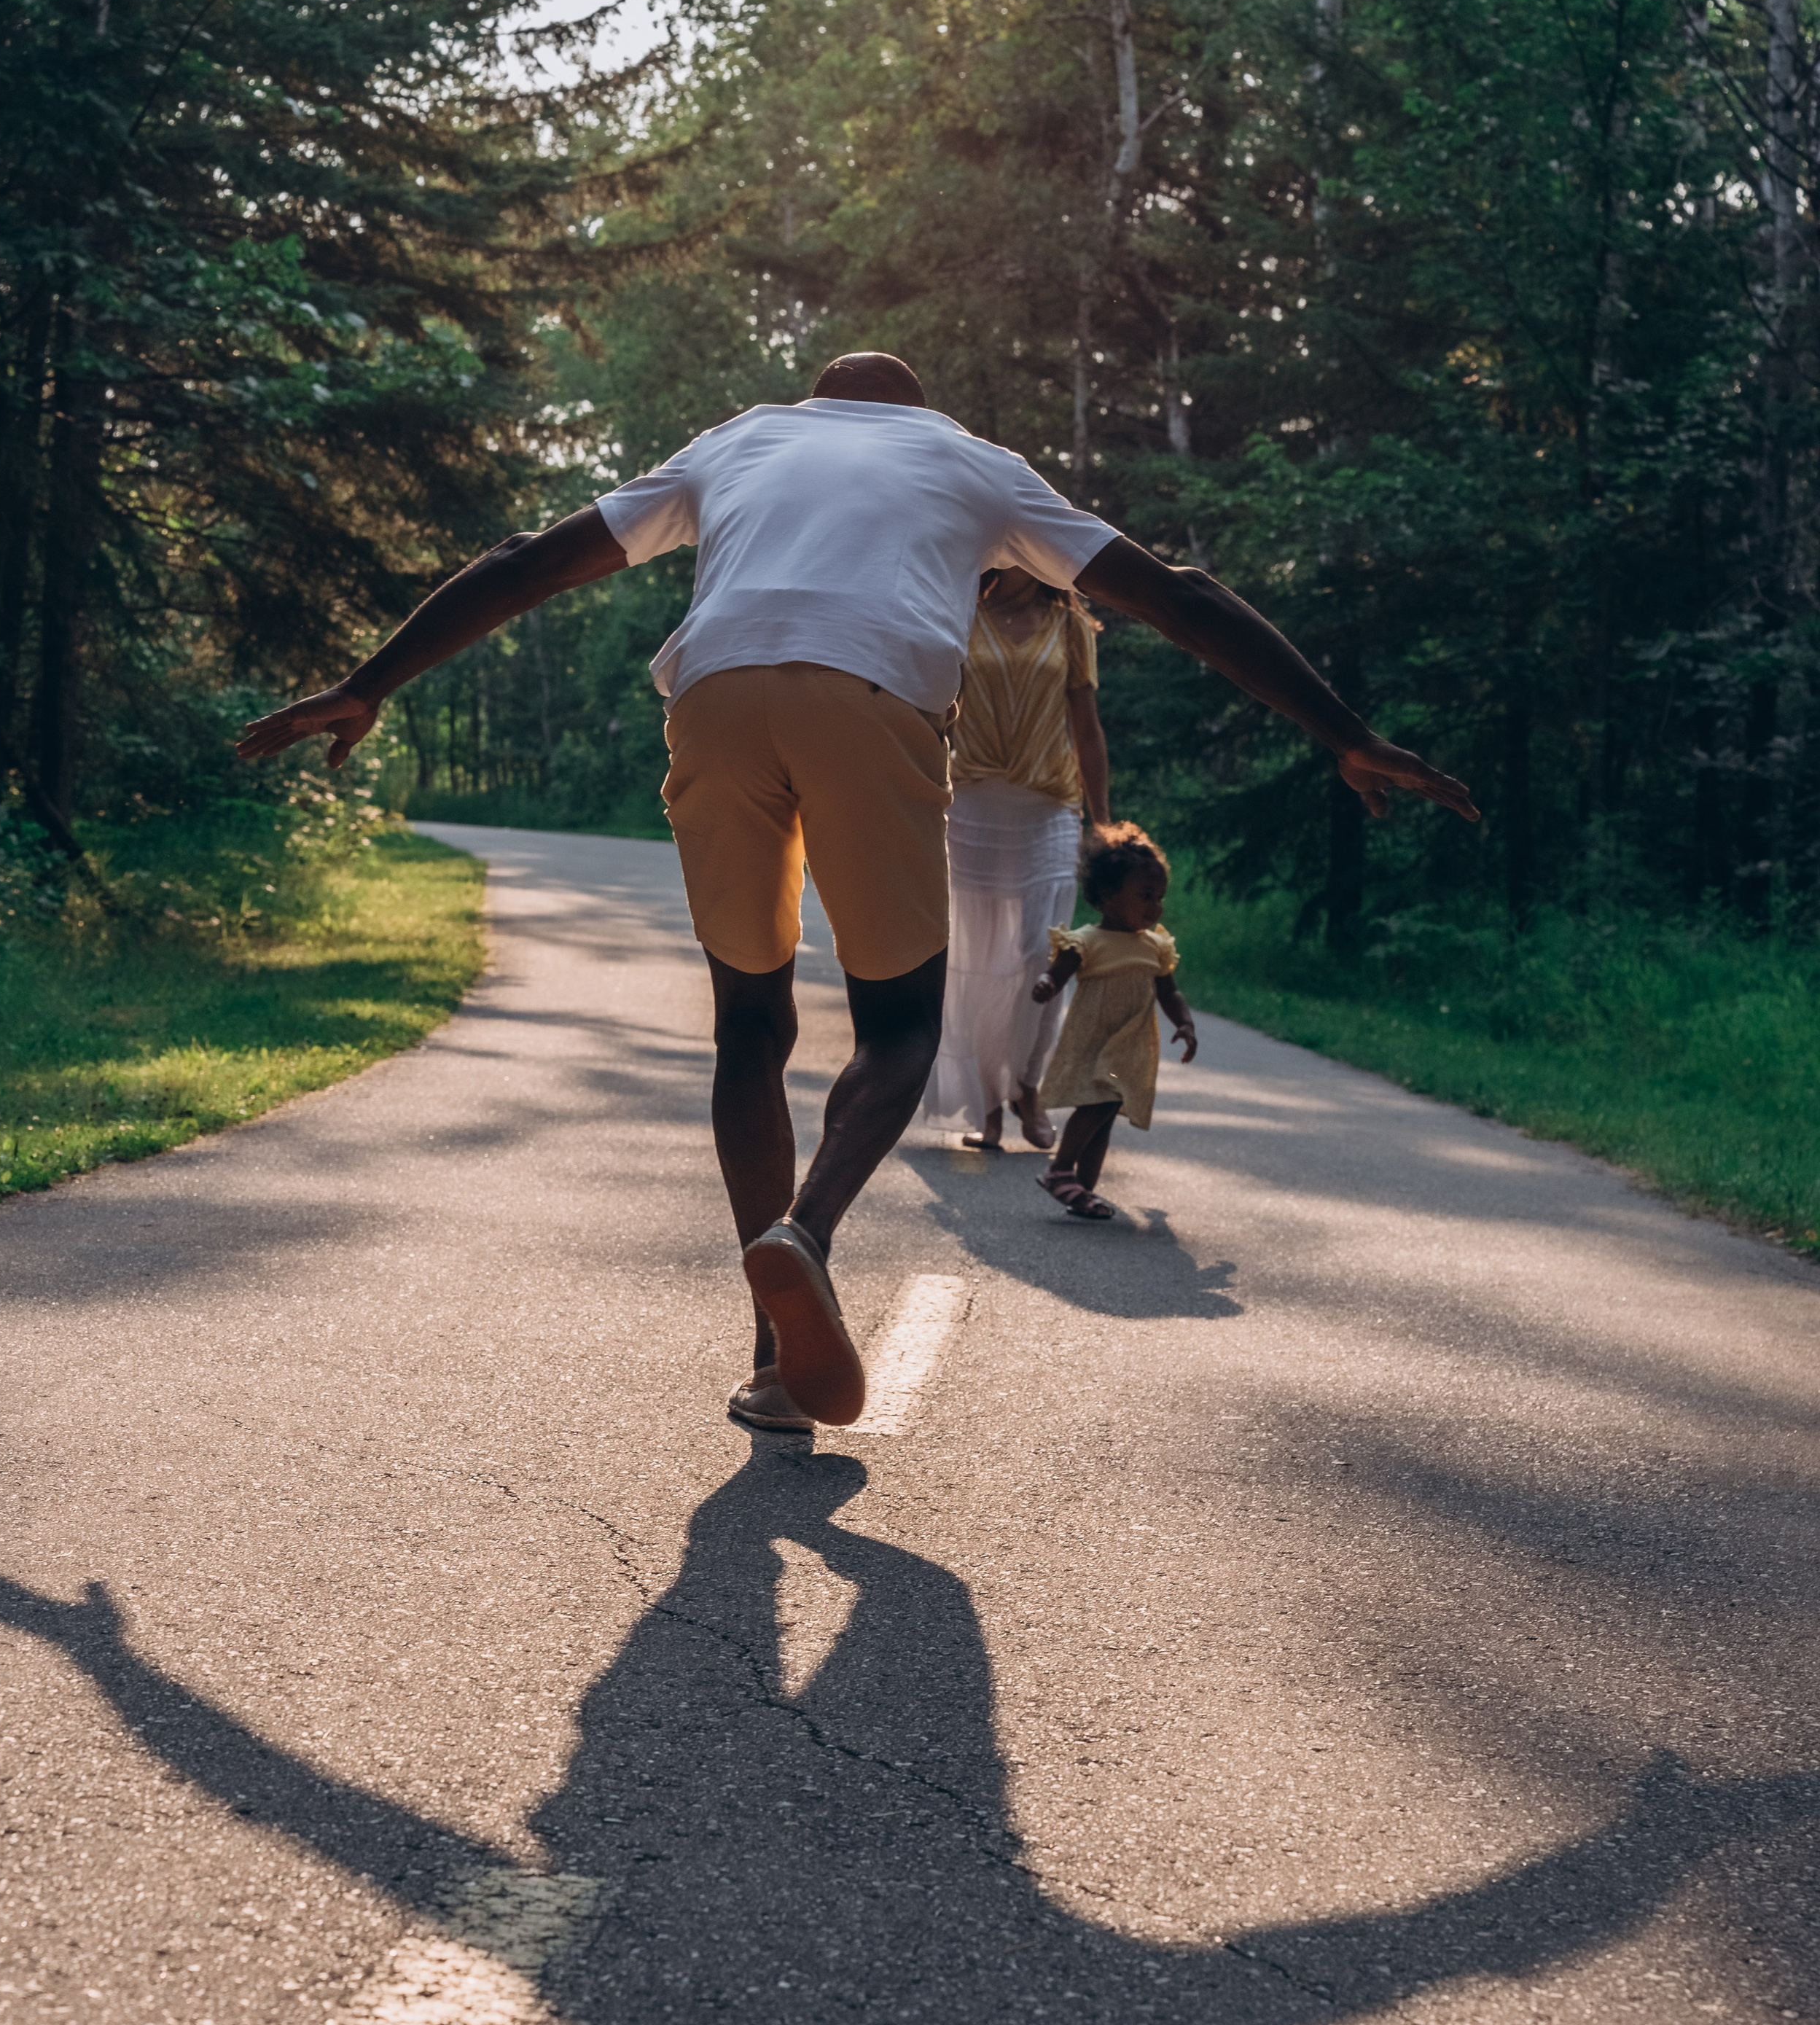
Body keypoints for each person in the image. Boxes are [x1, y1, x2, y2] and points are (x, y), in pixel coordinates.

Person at [235, 351, 1477, 1433]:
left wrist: (372, 680)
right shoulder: (971, 461)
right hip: (872, 698)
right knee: (896, 1026)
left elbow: (528, 561)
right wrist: (1343, 731)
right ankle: (809, 1232)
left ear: (813, 403)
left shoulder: (741, 440)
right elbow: (1178, 593)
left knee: (751, 1023)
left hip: (714, 699)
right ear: (916, 413)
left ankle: (775, 1359)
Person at [922, 570, 1108, 1153]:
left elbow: (1087, 726)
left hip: (1050, 802)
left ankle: (1028, 1083)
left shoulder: (1071, 623)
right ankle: (990, 1103)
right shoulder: (959, 609)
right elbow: (930, 708)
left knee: (1039, 953)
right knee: (978, 959)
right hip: (973, 799)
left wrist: (1101, 822)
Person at [1028, 822, 1197, 1222]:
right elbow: (1060, 970)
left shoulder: (1155, 946)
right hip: (1094, 1038)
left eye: (1159, 897)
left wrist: (1185, 1023)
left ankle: (1082, 1191)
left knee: (1106, 1113)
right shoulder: (1088, 940)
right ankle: (1060, 1170)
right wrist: (1047, 984)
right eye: (1144, 896)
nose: (1155, 906)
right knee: (1099, 1101)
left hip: (1133, 1042)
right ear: (1107, 897)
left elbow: (1169, 992)